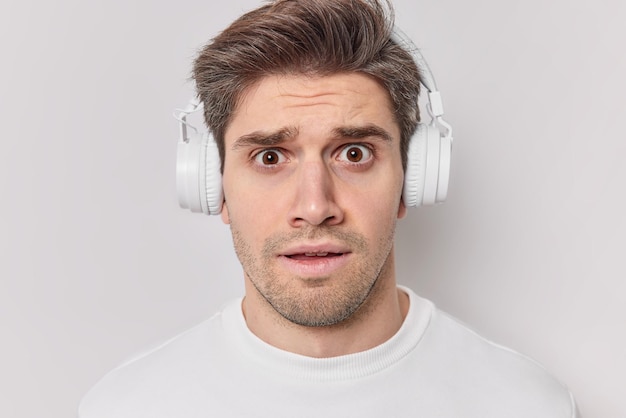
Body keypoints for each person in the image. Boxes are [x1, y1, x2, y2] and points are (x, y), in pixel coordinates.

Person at [79, 0, 578, 416]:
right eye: (270, 157)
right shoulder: (125, 407)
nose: (315, 207)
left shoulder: (527, 405)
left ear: (414, 179)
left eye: (354, 153)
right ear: (214, 185)